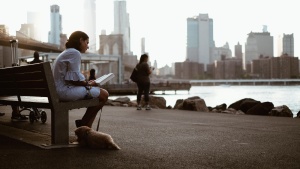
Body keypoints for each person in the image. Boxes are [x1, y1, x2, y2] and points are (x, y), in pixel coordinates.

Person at [52, 31, 109, 128]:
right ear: (81, 40)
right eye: (87, 42)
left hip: (58, 90)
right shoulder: (75, 53)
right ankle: (84, 124)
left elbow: (70, 79)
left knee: (98, 94)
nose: (87, 46)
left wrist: (87, 84)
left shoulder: (66, 52)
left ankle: (87, 128)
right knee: (104, 94)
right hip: (64, 92)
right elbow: (74, 80)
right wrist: (89, 84)